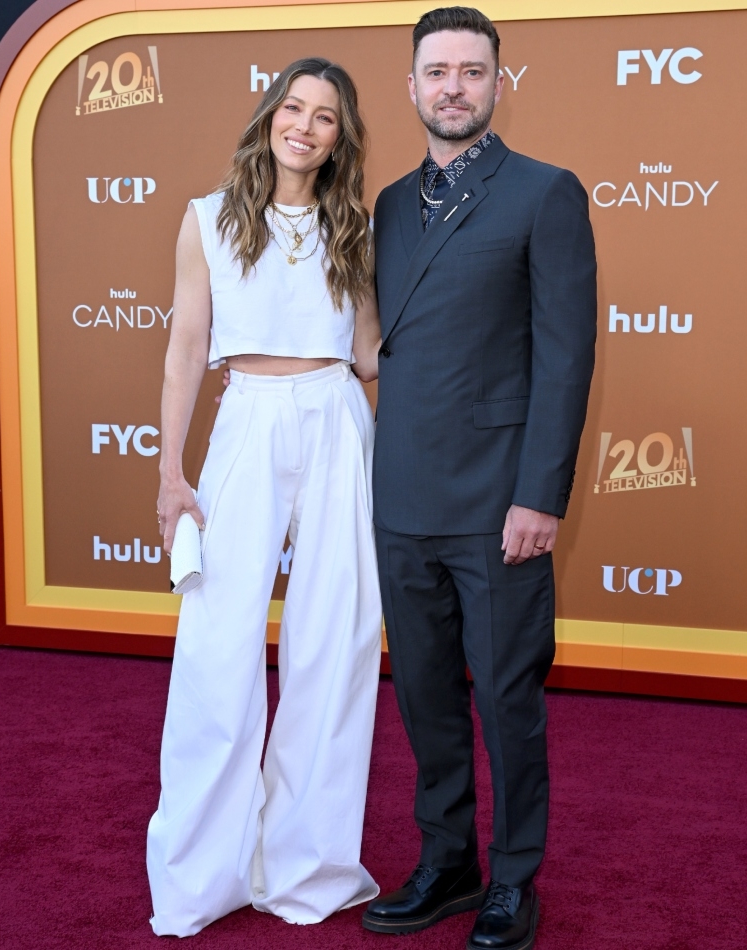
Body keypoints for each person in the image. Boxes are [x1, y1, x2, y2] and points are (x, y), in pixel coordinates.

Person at [362, 9, 597, 950]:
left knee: (506, 698)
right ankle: (447, 860)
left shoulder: (545, 193)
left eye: (471, 69)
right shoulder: (385, 205)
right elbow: (374, 343)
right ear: (411, 86)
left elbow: (566, 355)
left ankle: (512, 877)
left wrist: (540, 497)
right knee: (424, 694)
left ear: (500, 81)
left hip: (501, 501)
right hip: (403, 495)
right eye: (436, 70)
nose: (452, 85)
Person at [147, 57, 383, 937]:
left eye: (326, 116)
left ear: (340, 137)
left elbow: (368, 355)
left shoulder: (355, 226)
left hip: (335, 425)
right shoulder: (206, 220)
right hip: (244, 420)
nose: (307, 126)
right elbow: (183, 348)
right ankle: (200, 880)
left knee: (336, 643)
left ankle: (307, 869)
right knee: (217, 650)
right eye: (295, 107)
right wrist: (171, 473)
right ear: (270, 115)